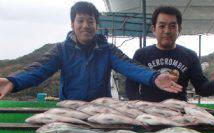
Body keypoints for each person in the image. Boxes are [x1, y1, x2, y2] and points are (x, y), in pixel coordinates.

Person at [0, 2, 183, 101]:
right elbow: (38, 70)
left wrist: (154, 77)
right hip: (69, 110)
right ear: (73, 24)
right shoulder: (61, 50)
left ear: (96, 25)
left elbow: (130, 67)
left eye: (90, 21)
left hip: (100, 112)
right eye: (80, 21)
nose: (85, 26)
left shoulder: (108, 50)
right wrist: (12, 81)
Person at [125, 6, 214, 102]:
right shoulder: (141, 54)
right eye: (162, 26)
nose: (167, 31)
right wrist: (142, 107)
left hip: (179, 115)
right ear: (154, 29)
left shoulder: (190, 56)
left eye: (172, 26)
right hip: (148, 116)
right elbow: (131, 87)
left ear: (179, 30)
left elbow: (201, 88)